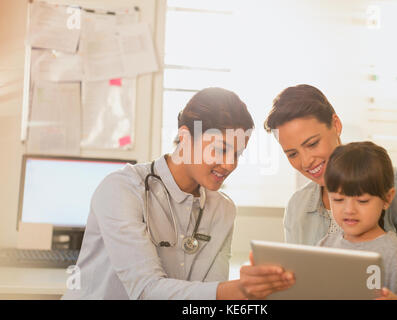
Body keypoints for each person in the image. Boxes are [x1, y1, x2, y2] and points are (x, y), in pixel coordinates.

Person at [62, 87, 294, 300]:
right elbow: (145, 290)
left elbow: (208, 297)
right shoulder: (122, 189)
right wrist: (237, 290)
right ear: (184, 137)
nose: (229, 164)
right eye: (221, 149)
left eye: (238, 155)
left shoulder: (222, 209)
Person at [263, 84, 397, 299]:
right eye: (292, 154)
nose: (306, 161)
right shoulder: (297, 207)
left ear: (336, 124)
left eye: (313, 143)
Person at [317, 141, 397, 300]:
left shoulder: (394, 251)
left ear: (387, 198)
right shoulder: (325, 245)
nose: (349, 210)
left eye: (362, 201)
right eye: (338, 200)